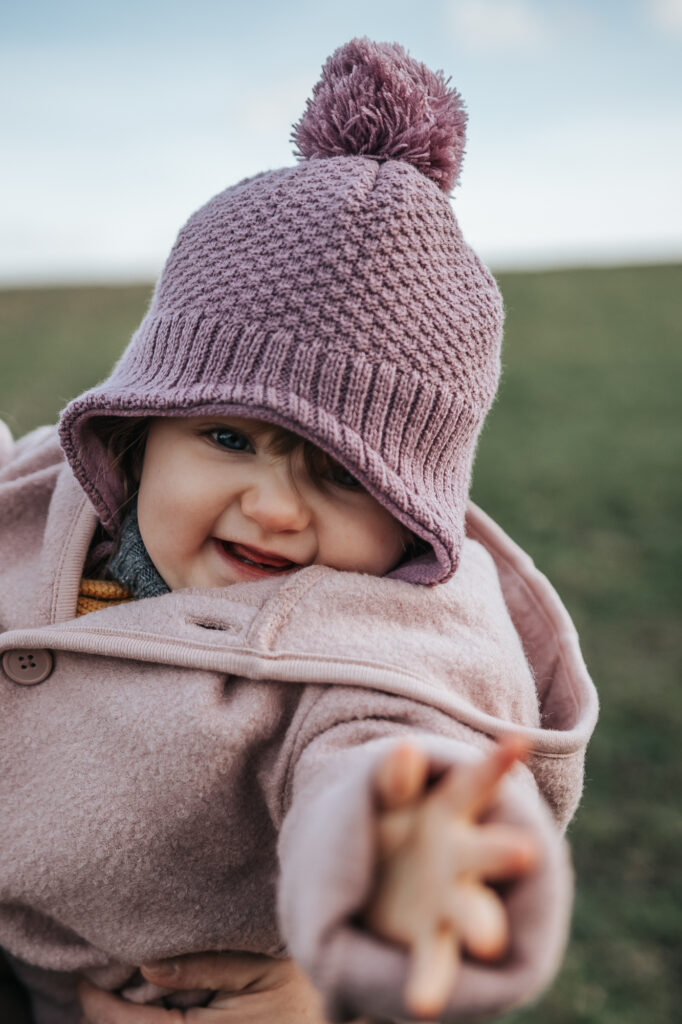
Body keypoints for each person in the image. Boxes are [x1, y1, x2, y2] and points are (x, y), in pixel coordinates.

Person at [0, 37, 598, 1024]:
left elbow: (383, 763)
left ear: (413, 511)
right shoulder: (49, 499)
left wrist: (404, 869)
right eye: (228, 436)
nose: (275, 507)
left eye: (343, 474)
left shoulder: (373, 657)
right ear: (141, 427)